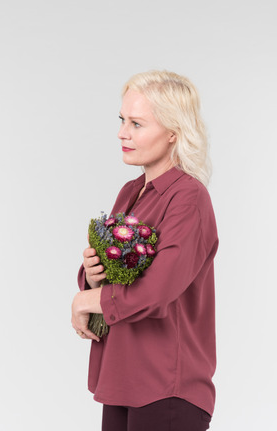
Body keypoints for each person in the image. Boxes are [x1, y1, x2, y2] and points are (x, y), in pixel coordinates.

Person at [71, 70, 219, 431]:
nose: (123, 133)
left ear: (172, 132)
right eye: (122, 120)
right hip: (123, 378)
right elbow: (120, 277)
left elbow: (156, 293)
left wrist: (85, 302)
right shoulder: (129, 192)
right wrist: (92, 277)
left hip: (167, 385)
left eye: (137, 123)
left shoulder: (189, 197)